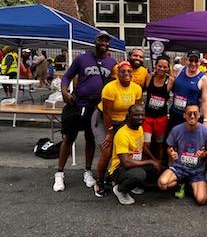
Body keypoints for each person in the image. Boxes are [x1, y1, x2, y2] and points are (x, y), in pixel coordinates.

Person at [53, 30, 117, 192]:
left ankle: (88, 171)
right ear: (94, 42)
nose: (103, 43)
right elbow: (67, 76)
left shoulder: (112, 63)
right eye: (101, 40)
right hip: (78, 103)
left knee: (90, 139)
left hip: (96, 107)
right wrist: (64, 91)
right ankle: (59, 173)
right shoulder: (82, 58)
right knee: (69, 138)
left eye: (106, 41)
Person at [92, 60, 142, 197]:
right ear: (117, 74)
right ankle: (99, 181)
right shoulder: (110, 88)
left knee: (125, 151)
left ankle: (116, 178)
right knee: (107, 151)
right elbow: (107, 113)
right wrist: (110, 133)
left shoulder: (136, 88)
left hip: (123, 121)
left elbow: (136, 110)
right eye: (122, 71)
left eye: (129, 71)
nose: (126, 73)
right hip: (104, 119)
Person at [158, 103, 207, 205]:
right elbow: (169, 147)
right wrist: (172, 152)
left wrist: (204, 154)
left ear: (199, 115)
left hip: (197, 171)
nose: (192, 116)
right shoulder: (176, 130)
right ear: (184, 115)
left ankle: (189, 184)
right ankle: (180, 182)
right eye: (189, 114)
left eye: (195, 114)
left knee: (201, 200)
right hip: (179, 168)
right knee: (162, 184)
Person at [108, 105, 161, 205]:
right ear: (128, 116)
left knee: (157, 168)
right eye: (136, 115)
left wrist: (154, 160)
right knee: (139, 175)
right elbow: (126, 162)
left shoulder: (139, 128)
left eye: (142, 115)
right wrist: (150, 161)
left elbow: (142, 146)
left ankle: (134, 185)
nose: (140, 118)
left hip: (135, 164)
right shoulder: (122, 134)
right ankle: (120, 189)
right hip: (119, 169)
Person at [143, 55, 174, 160]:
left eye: (165, 67)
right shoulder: (149, 77)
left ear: (168, 68)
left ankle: (159, 165)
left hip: (161, 118)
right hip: (147, 117)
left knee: (159, 144)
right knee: (146, 144)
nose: (162, 69)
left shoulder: (170, 81)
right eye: (160, 66)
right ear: (155, 66)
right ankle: (148, 164)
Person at [168, 49, 207, 130]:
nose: (193, 63)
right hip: (175, 113)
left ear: (200, 62)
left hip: (190, 117)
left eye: (196, 61)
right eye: (191, 60)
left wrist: (205, 120)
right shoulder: (180, 70)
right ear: (187, 60)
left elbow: (205, 101)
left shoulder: (203, 78)